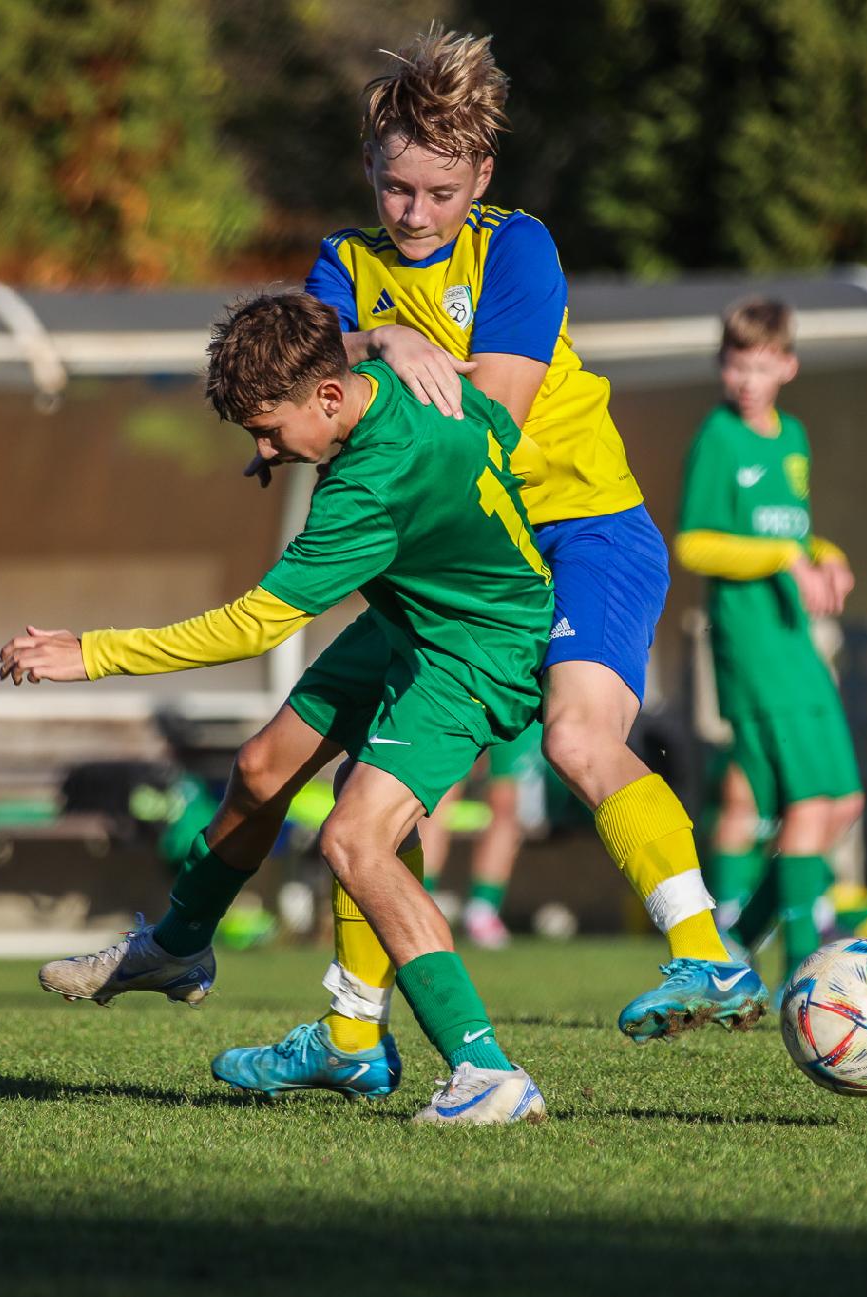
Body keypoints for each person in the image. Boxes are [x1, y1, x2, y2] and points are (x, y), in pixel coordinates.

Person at [219, 27, 762, 1093]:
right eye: (392, 188)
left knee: (576, 734)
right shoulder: (345, 260)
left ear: (480, 174)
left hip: (581, 534)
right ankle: (344, 1038)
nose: (409, 213)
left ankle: (706, 954)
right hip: (457, 571)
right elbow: (302, 377)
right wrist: (382, 342)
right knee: (373, 795)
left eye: (433, 191)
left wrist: (374, 357)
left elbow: (493, 420)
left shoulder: (518, 249)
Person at [0, 291, 550, 1125]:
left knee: (354, 835)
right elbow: (499, 440)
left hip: (475, 648)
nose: (264, 451)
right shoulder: (399, 379)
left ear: (328, 397)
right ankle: (181, 947)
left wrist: (95, 653)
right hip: (414, 614)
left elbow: (254, 626)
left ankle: (486, 1072)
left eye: (269, 431)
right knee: (260, 770)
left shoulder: (369, 485)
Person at [676, 297, 861, 988]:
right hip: (752, 645)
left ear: (787, 365)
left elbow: (793, 530)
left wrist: (826, 553)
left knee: (844, 802)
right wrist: (785, 558)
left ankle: (736, 945)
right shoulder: (718, 438)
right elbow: (694, 542)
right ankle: (803, 972)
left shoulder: (794, 439)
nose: (746, 380)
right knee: (806, 804)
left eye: (759, 365)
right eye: (734, 364)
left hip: (795, 641)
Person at [416, 721, 543, 949]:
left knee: (505, 802)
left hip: (511, 700)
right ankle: (418, 903)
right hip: (463, 696)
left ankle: (482, 910)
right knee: (439, 798)